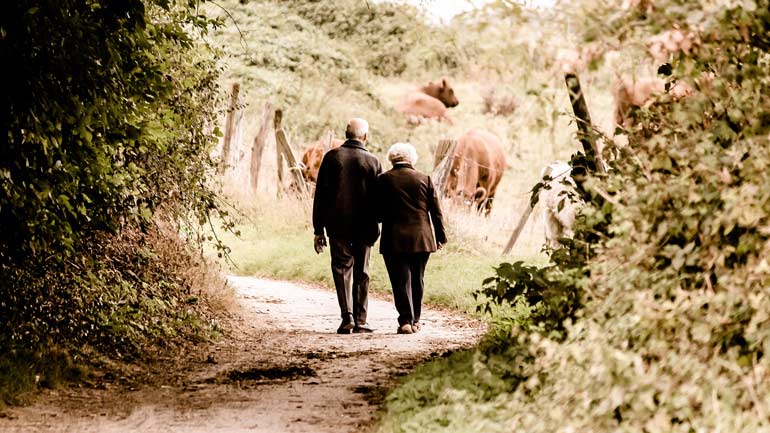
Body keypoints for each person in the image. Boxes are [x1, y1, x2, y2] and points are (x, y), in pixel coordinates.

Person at [312, 118, 382, 334]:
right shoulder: (373, 161)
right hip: (365, 226)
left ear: (345, 134)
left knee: (341, 269)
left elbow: (320, 196)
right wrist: (378, 222)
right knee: (362, 271)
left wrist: (318, 229)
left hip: (337, 225)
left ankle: (347, 317)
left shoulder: (332, 157)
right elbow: (380, 199)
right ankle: (361, 320)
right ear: (365, 137)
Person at [377, 142, 446, 334]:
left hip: (394, 238)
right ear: (412, 158)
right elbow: (436, 212)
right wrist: (440, 237)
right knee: (418, 278)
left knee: (399, 280)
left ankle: (405, 321)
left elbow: (377, 213)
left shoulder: (383, 180)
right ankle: (416, 320)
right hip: (422, 238)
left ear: (392, 158)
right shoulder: (425, 179)